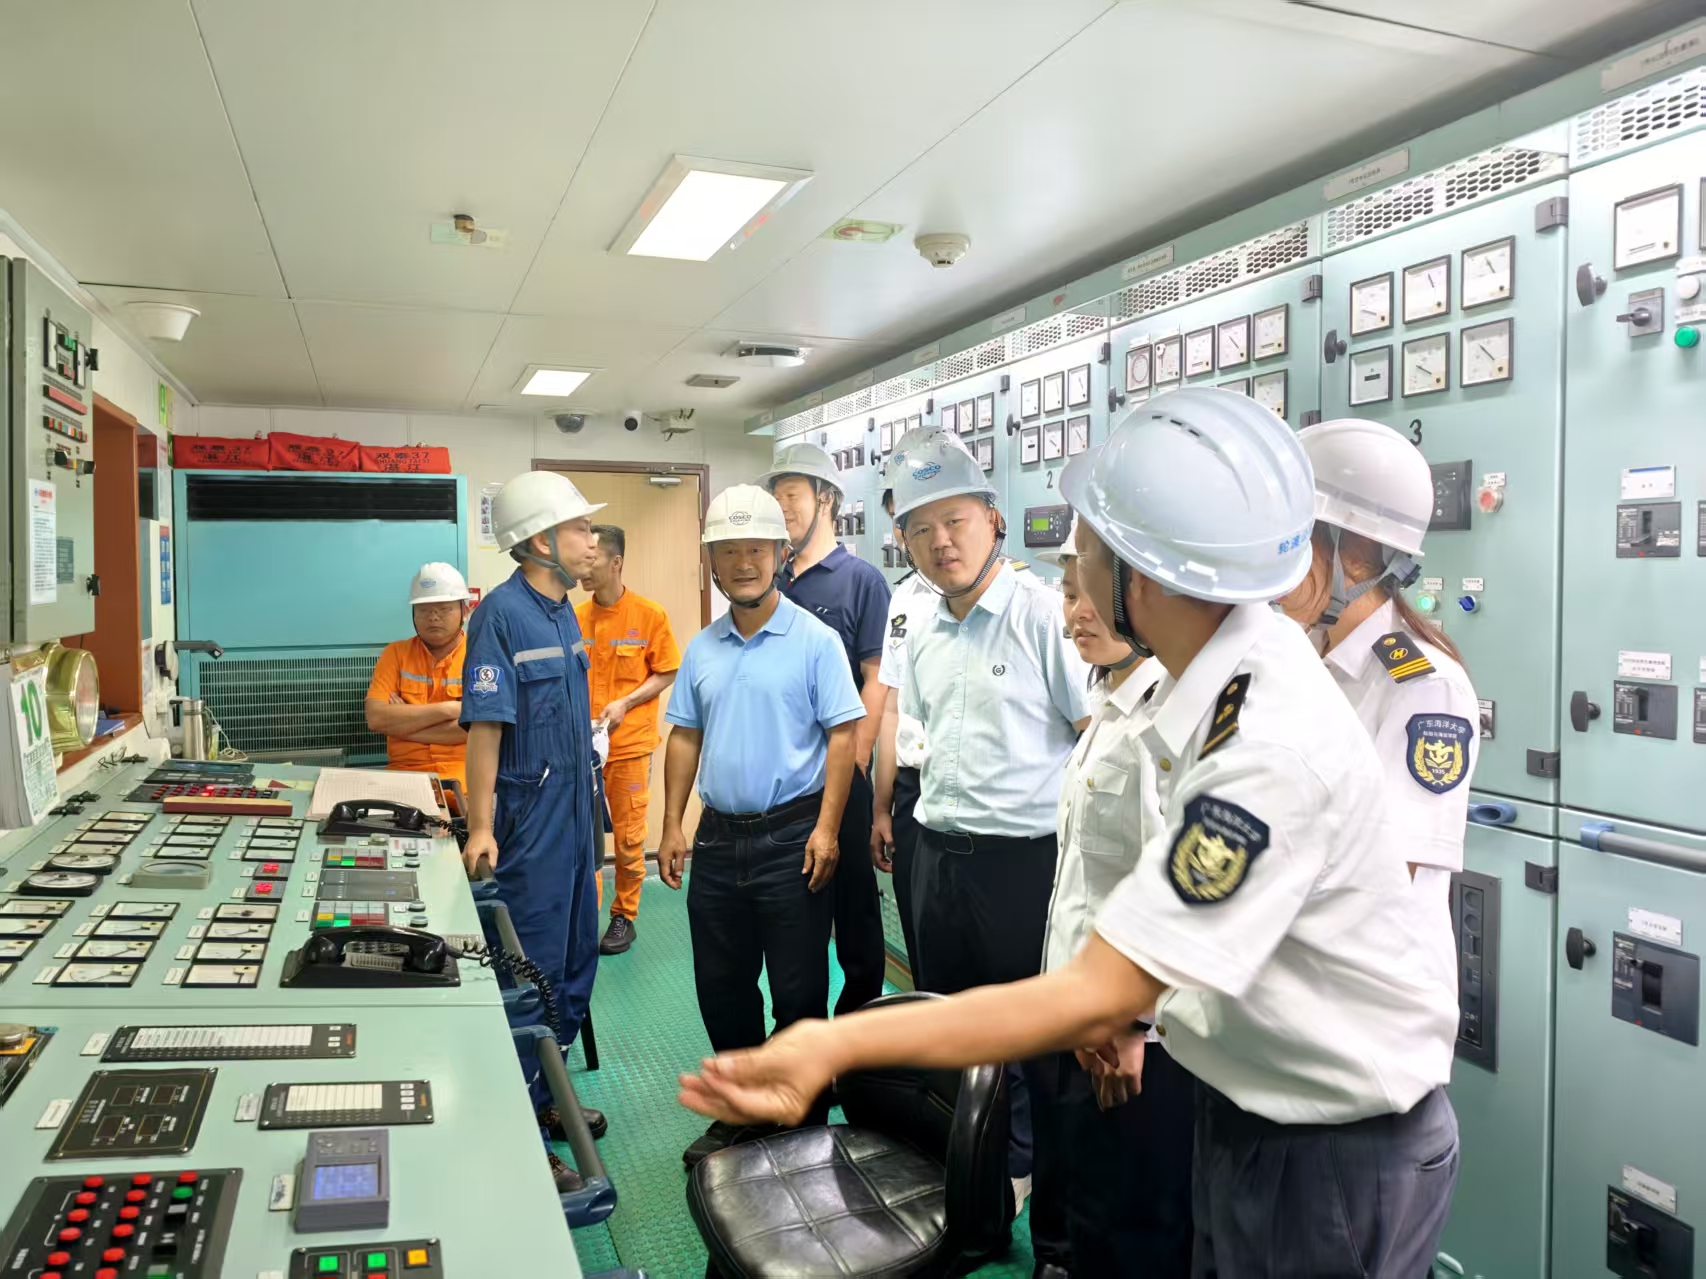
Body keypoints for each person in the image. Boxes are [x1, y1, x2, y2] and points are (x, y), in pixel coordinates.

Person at [681, 388, 1461, 1277]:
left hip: (1333, 1148)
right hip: (1257, 1102)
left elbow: (1098, 991)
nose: (1070, 574)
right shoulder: (1222, 676)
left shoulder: (1265, 741)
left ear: (1144, 576)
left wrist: (832, 1042)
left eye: (1083, 550)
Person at [888, 424, 1090, 1270]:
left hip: (1025, 868)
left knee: (1042, 1062)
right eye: (921, 528)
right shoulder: (925, 629)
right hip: (940, 858)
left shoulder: (1045, 614)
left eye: (956, 520)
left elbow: (1094, 735)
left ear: (993, 520)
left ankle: (1057, 1241)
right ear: (904, 542)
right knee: (957, 1046)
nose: (942, 541)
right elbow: (922, 740)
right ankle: (976, 1217)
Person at [656, 484, 865, 1168]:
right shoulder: (702, 649)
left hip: (792, 837)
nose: (743, 562)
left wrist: (827, 829)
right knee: (722, 986)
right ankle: (742, 1109)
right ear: (712, 563)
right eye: (728, 551)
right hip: (718, 840)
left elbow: (842, 735)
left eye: (756, 549)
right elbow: (685, 735)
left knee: (799, 989)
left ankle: (800, 1120)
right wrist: (673, 825)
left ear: (780, 554)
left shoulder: (816, 642)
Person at [1035, 513, 1195, 1276]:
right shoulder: (1107, 704)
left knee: (1132, 1226)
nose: (1080, 612)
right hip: (1083, 1008)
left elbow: (1176, 890)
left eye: (1095, 592)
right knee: (1091, 1208)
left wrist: (1134, 1020)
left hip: (1134, 1040)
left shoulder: (1167, 718)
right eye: (1069, 593)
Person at [1278, 418, 1480, 965]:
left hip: (1371, 985)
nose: (1276, 561)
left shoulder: (1425, 689)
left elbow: (1388, 877)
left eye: (1295, 542)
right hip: (1302, 969)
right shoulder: (1301, 654)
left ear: (1356, 551)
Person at [460, 470, 608, 1193]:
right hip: (530, 827)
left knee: (578, 961)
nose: (593, 540)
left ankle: (549, 1093)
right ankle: (516, 1126)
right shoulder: (501, 616)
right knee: (532, 975)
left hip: (576, 819)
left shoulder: (562, 612)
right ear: (542, 541)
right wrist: (481, 826)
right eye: (581, 528)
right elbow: (486, 729)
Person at [760, 441, 890, 1018]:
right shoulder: (773, 582)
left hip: (843, 774)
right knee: (797, 913)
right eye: (776, 496)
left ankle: (861, 1036)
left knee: (856, 914)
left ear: (827, 499)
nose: (782, 507)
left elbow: (877, 679)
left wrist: (854, 761)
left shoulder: (861, 582)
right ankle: (803, 1033)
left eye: (792, 494)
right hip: (787, 783)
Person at [575, 524, 682, 955]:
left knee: (628, 836)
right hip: (580, 750)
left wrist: (627, 702)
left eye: (593, 558)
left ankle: (624, 915)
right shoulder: (573, 617)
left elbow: (668, 670)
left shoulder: (649, 615)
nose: (584, 566)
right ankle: (585, 916)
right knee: (582, 835)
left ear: (616, 562)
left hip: (629, 747)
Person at [870, 485, 935, 981]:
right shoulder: (905, 597)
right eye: (904, 522)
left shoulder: (1023, 601)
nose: (906, 532)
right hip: (913, 794)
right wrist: (882, 807)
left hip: (988, 806)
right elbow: (891, 708)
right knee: (923, 938)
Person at [364, 562, 471, 787]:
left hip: (466, 774)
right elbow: (376, 718)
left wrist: (403, 725)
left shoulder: (481, 655)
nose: (433, 617)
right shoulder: (395, 653)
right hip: (403, 775)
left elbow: (474, 730)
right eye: (424, 610)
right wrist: (450, 709)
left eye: (444, 609)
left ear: (465, 611)